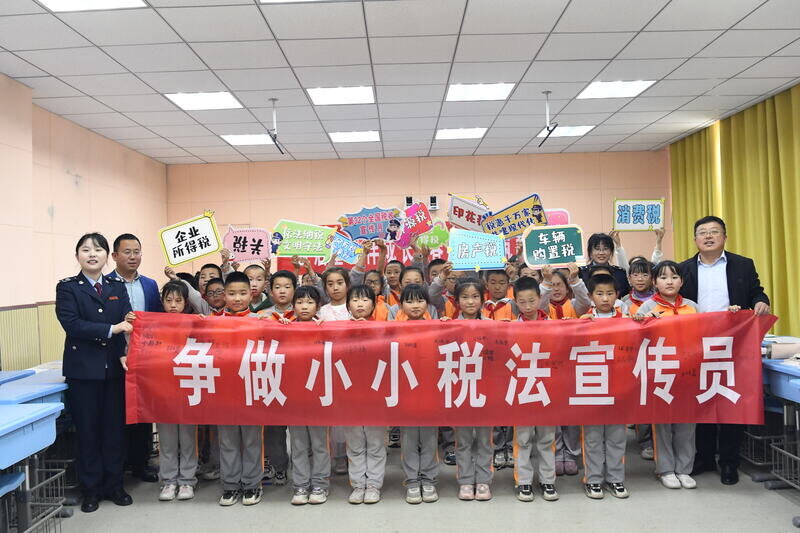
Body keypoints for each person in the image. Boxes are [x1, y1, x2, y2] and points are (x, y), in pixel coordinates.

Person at [678, 215, 770, 485]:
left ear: (725, 237)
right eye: (703, 232)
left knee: (731, 401)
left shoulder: (743, 264)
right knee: (702, 400)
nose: (708, 236)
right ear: (695, 239)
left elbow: (757, 292)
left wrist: (761, 302)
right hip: (696, 345)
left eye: (714, 232)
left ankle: (729, 462)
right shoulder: (683, 269)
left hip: (734, 344)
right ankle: (704, 457)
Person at [55, 232, 134, 513]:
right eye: (86, 250)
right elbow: (72, 324)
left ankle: (115, 486)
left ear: (106, 256)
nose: (92, 254)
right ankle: (91, 490)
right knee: (87, 432)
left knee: (114, 431)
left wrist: (123, 351)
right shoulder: (68, 288)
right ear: (77, 256)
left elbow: (126, 321)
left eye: (98, 249)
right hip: (83, 372)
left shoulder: (116, 285)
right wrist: (112, 329)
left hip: (114, 370)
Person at [636, 260, 700, 490]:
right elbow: (636, 338)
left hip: (688, 373)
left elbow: (708, 332)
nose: (669, 282)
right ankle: (665, 469)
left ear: (682, 281)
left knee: (686, 424)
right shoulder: (647, 307)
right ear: (655, 282)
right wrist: (641, 322)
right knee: (662, 425)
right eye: (663, 277)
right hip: (660, 373)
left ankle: (684, 469)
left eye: (674, 277)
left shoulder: (693, 307)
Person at [111, 233, 161, 484]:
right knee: (118, 413)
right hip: (116, 356)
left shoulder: (150, 284)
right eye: (127, 252)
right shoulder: (106, 284)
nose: (133, 256)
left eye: (137, 252)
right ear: (115, 256)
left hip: (145, 357)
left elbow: (160, 318)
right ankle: (119, 465)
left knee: (143, 412)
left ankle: (141, 463)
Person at [441, 278, 493, 501]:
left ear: (483, 299)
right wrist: (441, 328)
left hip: (485, 389)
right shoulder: (450, 325)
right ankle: (464, 480)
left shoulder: (491, 325)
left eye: (475, 297)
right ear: (456, 301)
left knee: (484, 439)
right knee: (462, 440)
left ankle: (483, 480)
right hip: (461, 388)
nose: (470, 302)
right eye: (464, 297)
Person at [215, 272, 264, 507]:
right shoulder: (213, 322)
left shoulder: (261, 320)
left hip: (251, 387)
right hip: (223, 390)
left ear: (251, 294)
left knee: (252, 439)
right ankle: (230, 484)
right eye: (232, 293)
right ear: (224, 295)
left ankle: (253, 483)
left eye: (242, 293)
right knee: (227, 440)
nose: (237, 298)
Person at [579, 274, 629, 499]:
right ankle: (593, 479)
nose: (605, 298)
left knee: (617, 435)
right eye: (600, 294)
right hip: (591, 384)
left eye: (610, 293)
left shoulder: (626, 319)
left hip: (619, 385)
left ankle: (616, 478)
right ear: (591, 296)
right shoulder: (584, 320)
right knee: (592, 437)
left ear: (617, 295)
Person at [148, 281, 198, 501]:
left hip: (188, 388)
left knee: (187, 438)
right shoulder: (153, 326)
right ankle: (168, 481)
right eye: (169, 301)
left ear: (186, 303)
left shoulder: (195, 324)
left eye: (178, 300)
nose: (173, 305)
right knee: (167, 439)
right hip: (163, 390)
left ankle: (187, 480)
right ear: (162, 302)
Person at [391, 284, 440, 504]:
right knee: (409, 439)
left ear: (427, 304)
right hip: (406, 393)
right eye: (409, 301)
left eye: (420, 301)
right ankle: (412, 480)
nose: (415, 305)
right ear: (401, 305)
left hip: (430, 392)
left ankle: (428, 479)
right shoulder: (394, 329)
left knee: (429, 439)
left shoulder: (438, 327)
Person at [511, 277, 558, 502]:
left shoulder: (553, 324)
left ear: (540, 298)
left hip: (546, 388)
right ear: (515, 302)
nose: (528, 306)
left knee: (547, 437)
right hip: (522, 388)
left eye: (532, 300)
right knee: (523, 438)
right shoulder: (511, 327)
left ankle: (548, 480)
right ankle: (524, 481)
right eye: (522, 302)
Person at [283, 286, 331, 505]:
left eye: (310, 303)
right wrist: (280, 330)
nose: (304, 307)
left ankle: (320, 484)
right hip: (294, 396)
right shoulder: (285, 327)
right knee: (298, 444)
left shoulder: (324, 327)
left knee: (319, 444)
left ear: (318, 306)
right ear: (293, 305)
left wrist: (325, 331)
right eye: (300, 302)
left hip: (318, 396)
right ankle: (300, 485)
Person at [344, 285, 387, 504]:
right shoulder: (338, 330)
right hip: (349, 395)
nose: (360, 304)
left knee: (376, 442)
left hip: (375, 394)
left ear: (373, 305)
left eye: (364, 300)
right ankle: (358, 484)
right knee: (355, 443)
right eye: (355, 300)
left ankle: (373, 485)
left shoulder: (382, 329)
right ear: (348, 305)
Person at [579, 233, 630, 297]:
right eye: (597, 249)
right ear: (590, 252)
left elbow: (625, 296)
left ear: (611, 251)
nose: (601, 253)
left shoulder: (620, 273)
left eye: (605, 249)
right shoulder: (581, 273)